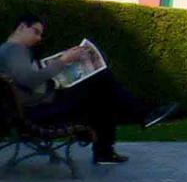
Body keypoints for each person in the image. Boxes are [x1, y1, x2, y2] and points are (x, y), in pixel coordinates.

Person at [0, 15, 171, 165]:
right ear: (21, 27)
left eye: (40, 34)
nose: (38, 38)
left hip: (33, 109)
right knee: (101, 79)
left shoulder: (9, 51)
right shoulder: (14, 50)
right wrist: (63, 61)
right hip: (39, 113)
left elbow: (27, 80)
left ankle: (107, 148)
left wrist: (59, 68)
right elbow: (29, 80)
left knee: (101, 91)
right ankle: (140, 118)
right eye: (36, 32)